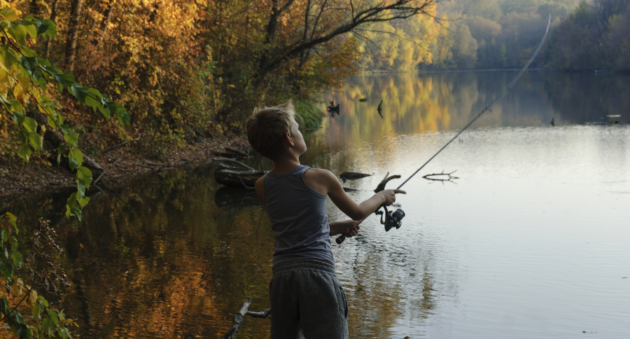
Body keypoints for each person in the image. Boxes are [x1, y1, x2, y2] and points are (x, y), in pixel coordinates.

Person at [246, 100, 405, 339]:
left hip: (282, 279)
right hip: (316, 275)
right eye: (298, 129)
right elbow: (359, 212)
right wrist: (381, 196)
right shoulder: (319, 177)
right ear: (290, 139)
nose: (301, 132)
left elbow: (295, 230)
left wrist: (339, 227)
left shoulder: (262, 185)